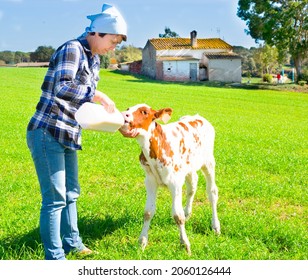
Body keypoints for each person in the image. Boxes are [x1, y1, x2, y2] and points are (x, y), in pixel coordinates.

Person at [26, 3, 135, 260]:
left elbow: (83, 108)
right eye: (113, 40)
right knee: (55, 199)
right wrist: (97, 94)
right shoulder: (72, 49)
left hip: (69, 132)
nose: (114, 47)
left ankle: (73, 243)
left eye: (118, 43)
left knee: (71, 194)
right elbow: (62, 88)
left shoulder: (94, 59)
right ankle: (55, 258)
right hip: (47, 131)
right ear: (97, 33)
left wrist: (118, 124)